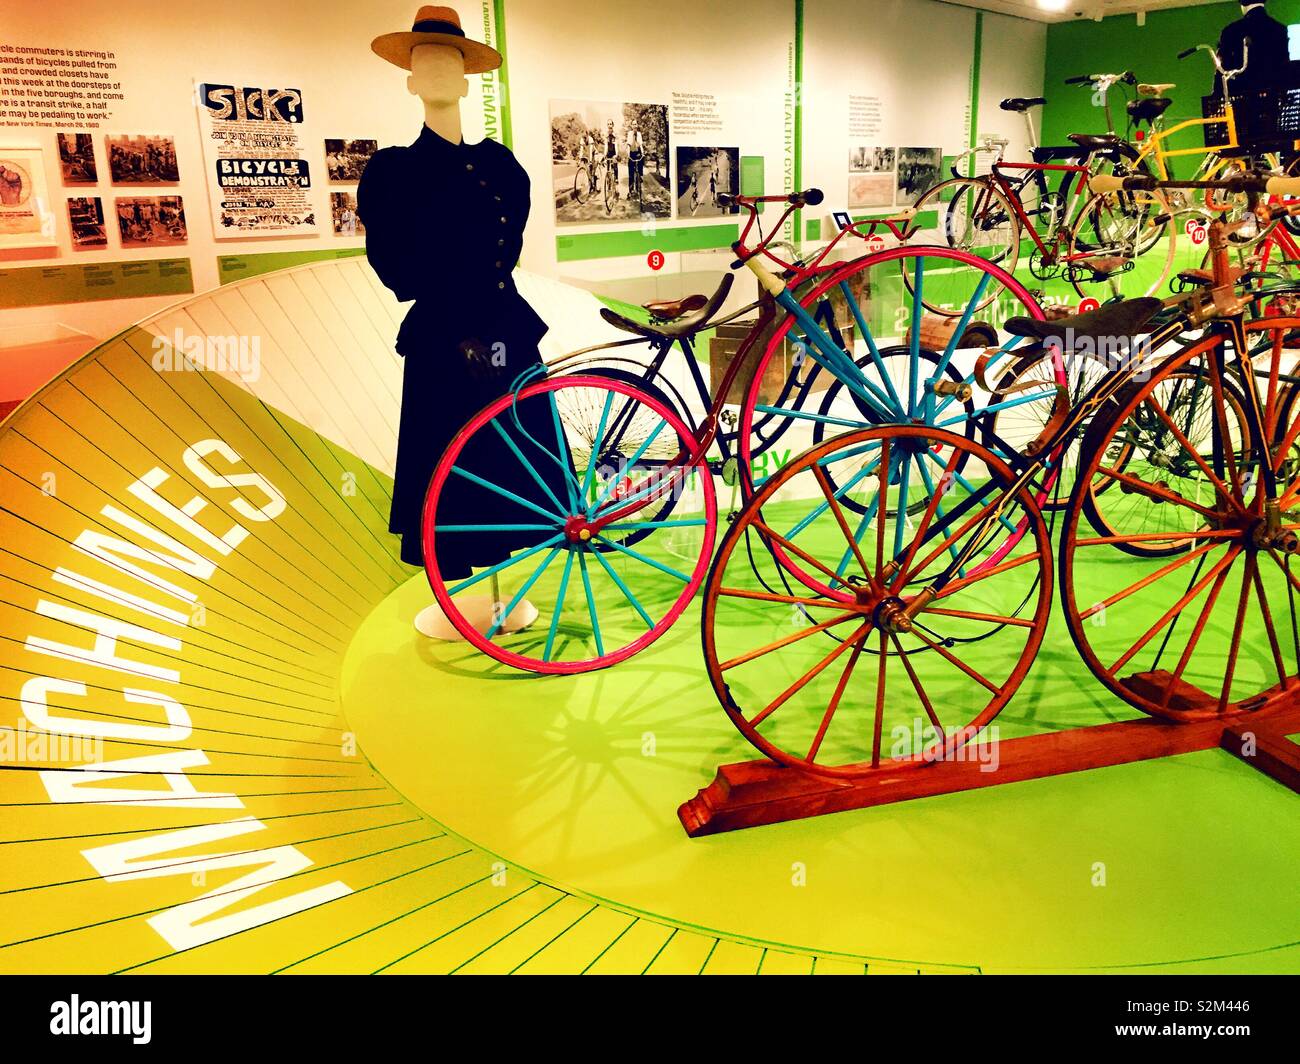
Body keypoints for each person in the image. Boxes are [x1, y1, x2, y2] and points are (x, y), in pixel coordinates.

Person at [360, 5, 567, 604]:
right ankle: (469, 582)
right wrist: (457, 317)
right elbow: (393, 262)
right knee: (452, 454)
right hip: (447, 337)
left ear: (468, 76)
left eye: (452, 61)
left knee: (514, 454)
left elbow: (511, 243)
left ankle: (508, 573)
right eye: (427, 62)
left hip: (507, 327)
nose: (441, 74)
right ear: (410, 80)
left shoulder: (501, 164)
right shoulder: (394, 171)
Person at [1217, 0, 1291, 95]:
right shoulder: (1280, 30)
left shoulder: (1231, 31)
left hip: (1242, 98)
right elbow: (1285, 68)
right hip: (1273, 97)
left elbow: (1223, 70)